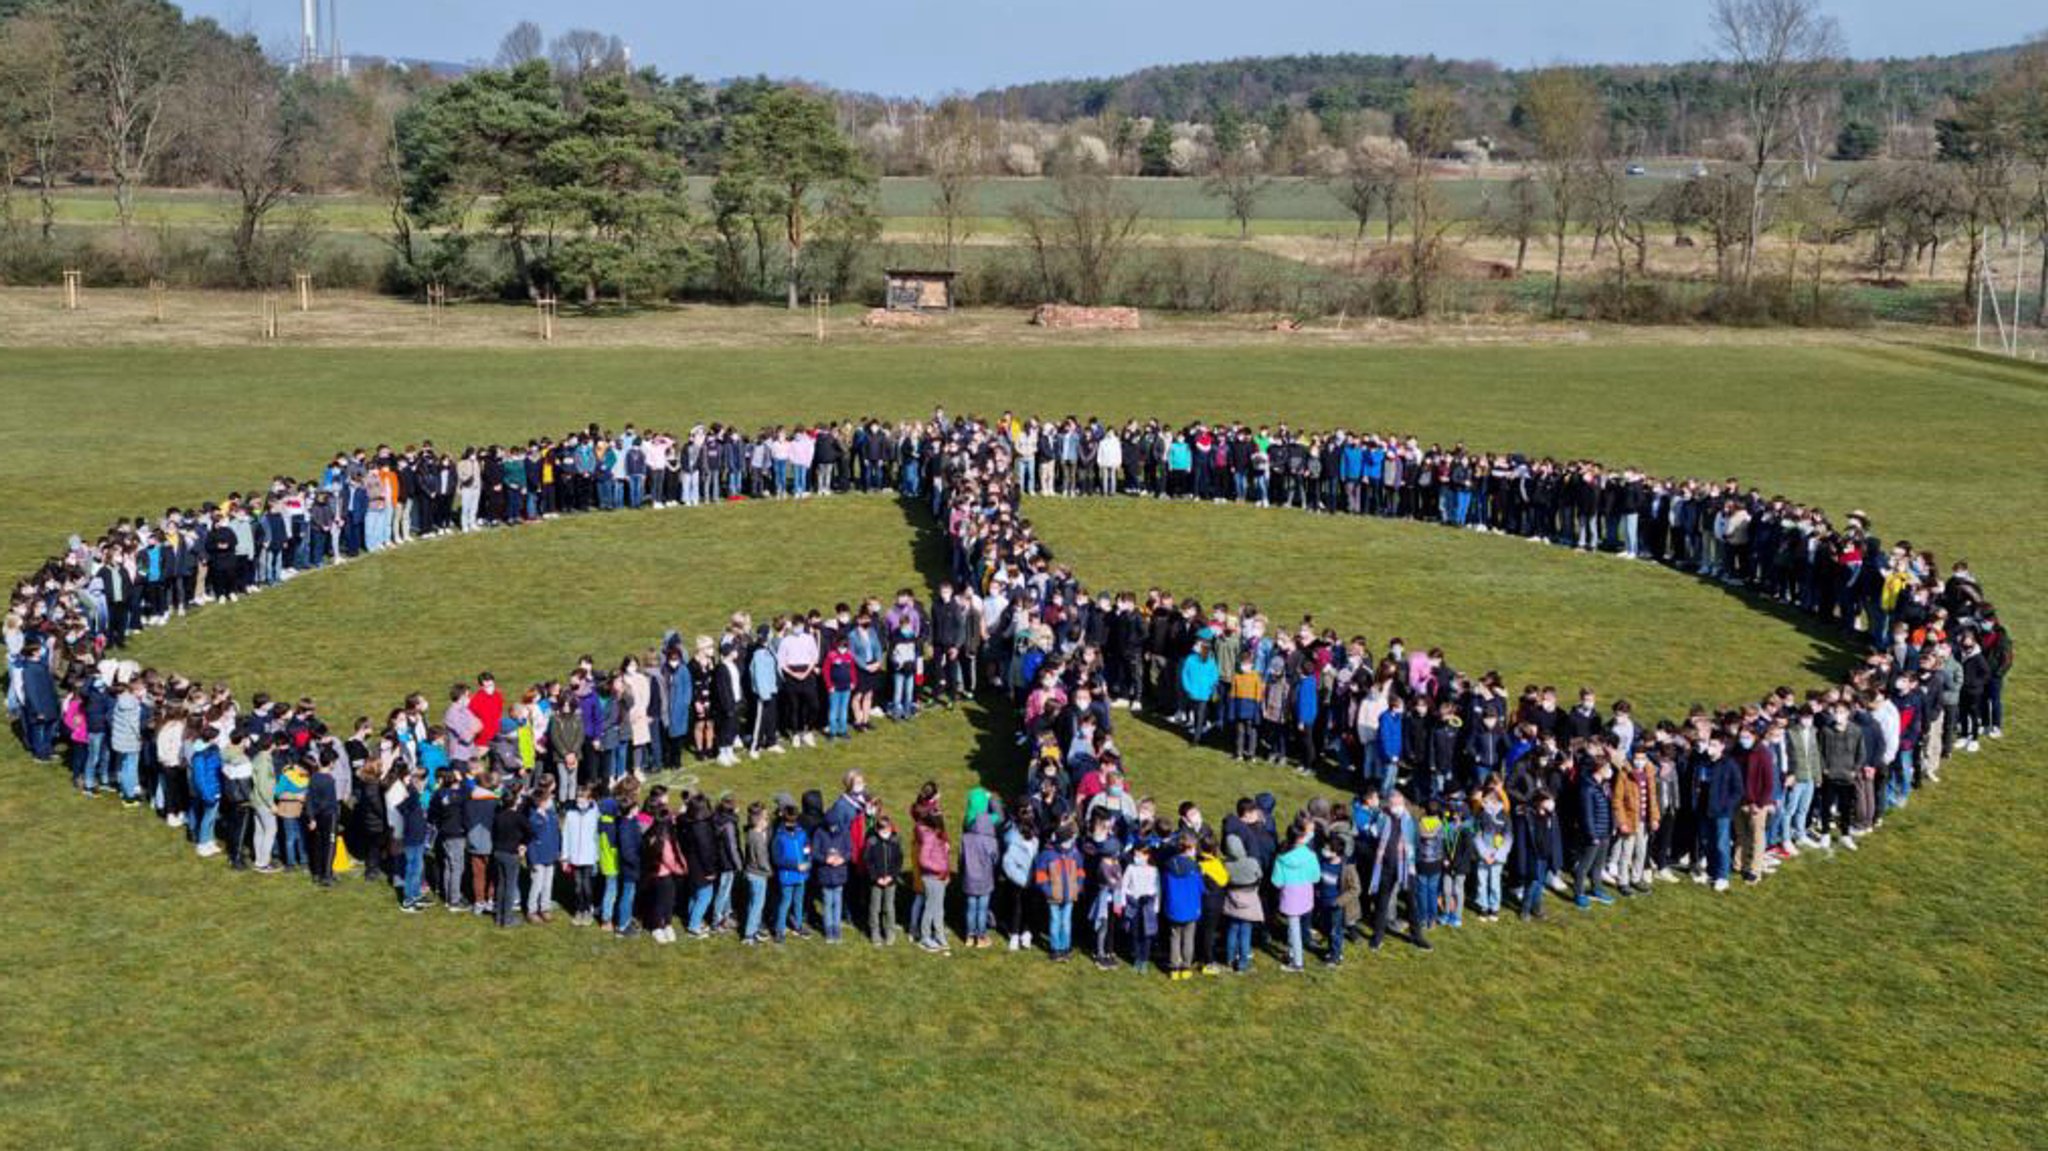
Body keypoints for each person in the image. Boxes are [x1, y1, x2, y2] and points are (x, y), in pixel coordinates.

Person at [1270, 821, 1320, 973]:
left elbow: (1276, 881)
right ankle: (1293, 956)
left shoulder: (1281, 857)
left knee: (1293, 929)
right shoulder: (1310, 855)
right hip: (1305, 895)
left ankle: (1297, 962)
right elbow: (1316, 877)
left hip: (1290, 895)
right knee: (1294, 929)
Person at [1033, 819, 1084, 962]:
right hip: (1053, 895)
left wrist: (1078, 886)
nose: (1069, 844)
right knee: (1055, 921)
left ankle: (1065, 948)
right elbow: (1040, 874)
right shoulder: (1047, 854)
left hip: (1070, 895)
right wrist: (1048, 891)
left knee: (1066, 922)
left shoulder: (1075, 853)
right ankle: (1055, 949)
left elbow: (1080, 871)